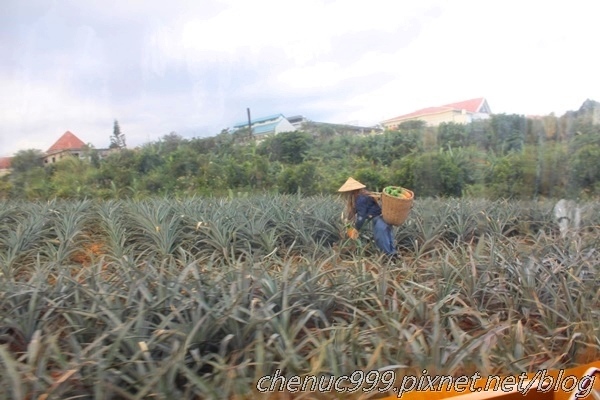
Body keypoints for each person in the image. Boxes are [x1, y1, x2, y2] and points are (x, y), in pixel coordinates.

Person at [338, 177, 398, 258]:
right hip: (384, 218)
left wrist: (356, 228)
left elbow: (361, 217)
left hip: (379, 220)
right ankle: (393, 255)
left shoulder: (361, 198)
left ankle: (389, 258)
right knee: (388, 238)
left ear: (353, 191)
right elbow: (356, 210)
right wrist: (348, 219)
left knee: (381, 239)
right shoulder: (364, 195)